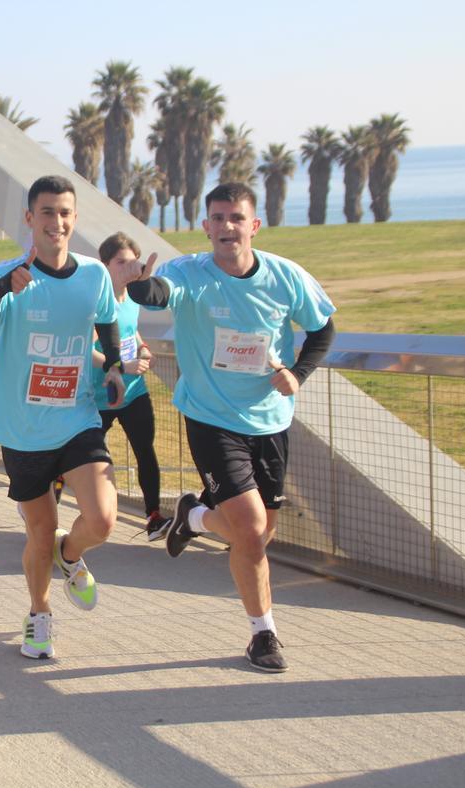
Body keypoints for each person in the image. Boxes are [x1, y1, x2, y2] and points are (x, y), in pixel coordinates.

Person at [120, 182, 336, 673]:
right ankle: (264, 635)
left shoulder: (285, 277)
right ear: (206, 226)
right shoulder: (190, 273)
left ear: (253, 226)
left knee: (259, 536)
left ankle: (194, 516)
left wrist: (297, 374)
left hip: (270, 422)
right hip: (212, 418)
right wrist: (139, 283)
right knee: (251, 528)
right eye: (216, 218)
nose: (226, 228)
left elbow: (323, 329)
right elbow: (158, 293)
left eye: (235, 218)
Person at [0, 175, 127, 660]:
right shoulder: (9, 275)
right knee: (39, 528)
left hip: (76, 415)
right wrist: (3, 286)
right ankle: (39, 617)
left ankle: (71, 554)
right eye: (46, 213)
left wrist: (116, 365)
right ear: (29, 218)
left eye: (64, 213)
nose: (56, 222)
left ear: (73, 218)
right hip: (21, 424)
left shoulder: (94, 274)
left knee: (101, 519)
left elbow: (106, 320)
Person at [95, 233, 171, 540]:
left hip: (135, 391)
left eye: (132, 262)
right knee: (91, 461)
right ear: (105, 265)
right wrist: (118, 366)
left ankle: (154, 517)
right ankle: (54, 505)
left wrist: (142, 350)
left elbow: (132, 330)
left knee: (145, 452)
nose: (128, 268)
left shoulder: (132, 298)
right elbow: (85, 349)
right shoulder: (98, 302)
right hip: (101, 396)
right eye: (120, 262)